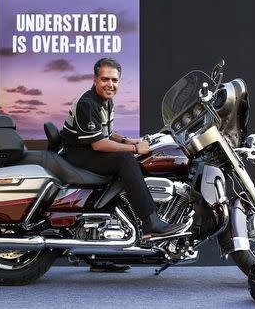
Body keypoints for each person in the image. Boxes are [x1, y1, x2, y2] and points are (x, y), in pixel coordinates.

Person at [60, 58, 187, 271]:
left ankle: (99, 254)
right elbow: (99, 144)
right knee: (127, 160)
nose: (110, 84)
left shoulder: (105, 101)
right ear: (95, 79)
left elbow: (107, 133)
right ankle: (151, 223)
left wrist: (130, 141)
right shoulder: (87, 103)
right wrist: (134, 149)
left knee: (128, 156)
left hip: (87, 148)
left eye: (115, 80)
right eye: (105, 79)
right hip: (77, 154)